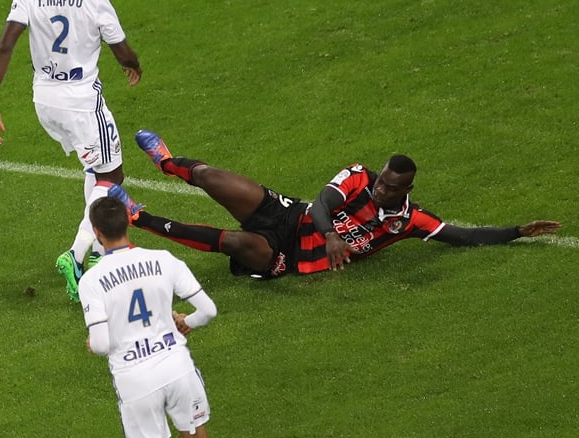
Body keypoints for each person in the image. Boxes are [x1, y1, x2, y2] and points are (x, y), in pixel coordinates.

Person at [108, 130, 562, 279]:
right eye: (381, 180)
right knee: (210, 177)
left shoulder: (409, 220)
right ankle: (169, 163)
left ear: (405, 190)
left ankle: (138, 217)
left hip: (290, 257)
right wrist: (328, 234)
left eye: (388, 187)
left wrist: (517, 231)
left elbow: (463, 237)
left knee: (237, 244)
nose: (379, 189)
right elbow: (323, 205)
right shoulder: (358, 176)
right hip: (292, 215)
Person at [0, 0, 143, 302]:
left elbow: (5, 45)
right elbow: (120, 48)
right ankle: (77, 253)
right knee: (112, 176)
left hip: (45, 101)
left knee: (94, 168)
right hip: (82, 101)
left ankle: (103, 250)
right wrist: (133, 65)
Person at [80, 195, 231, 438]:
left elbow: (103, 344)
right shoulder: (164, 259)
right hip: (176, 367)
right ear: (127, 222)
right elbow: (208, 310)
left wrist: (91, 344)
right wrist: (184, 322)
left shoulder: (92, 280)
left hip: (136, 380)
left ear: (97, 232)